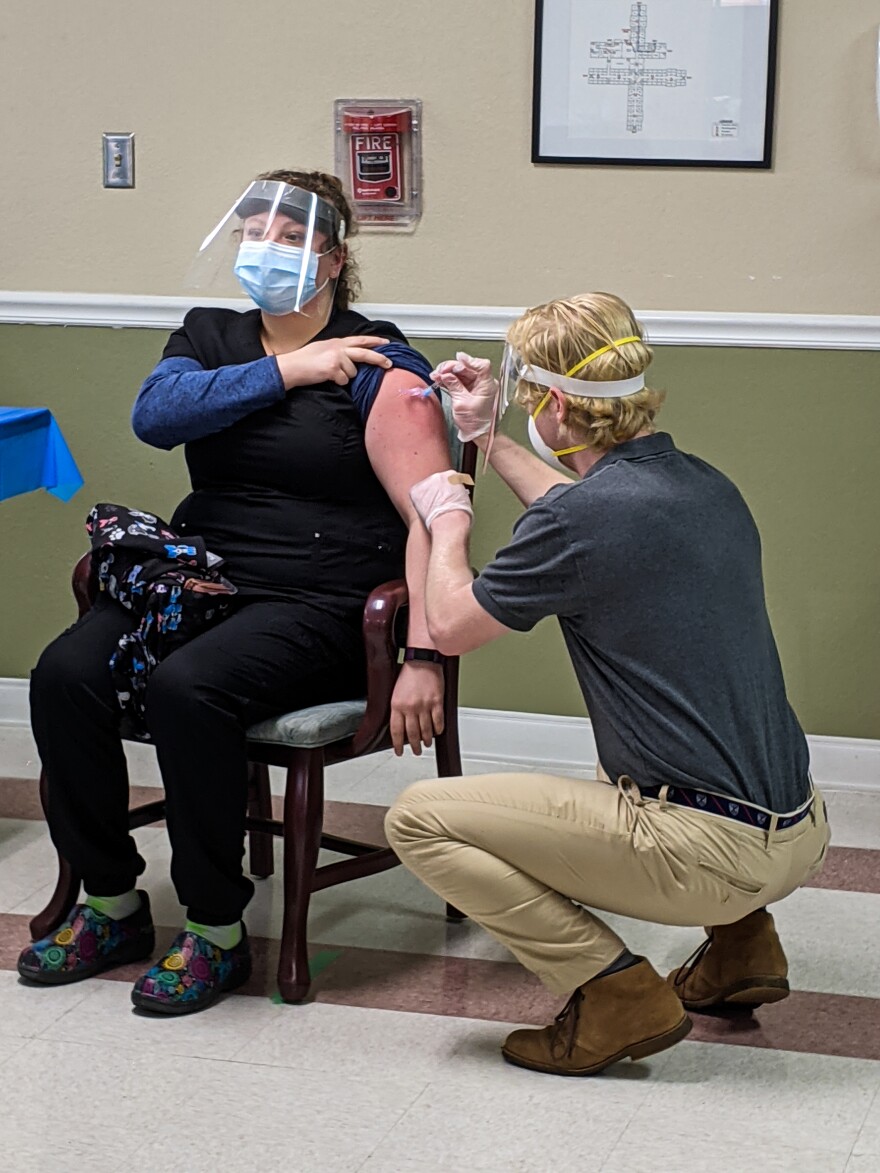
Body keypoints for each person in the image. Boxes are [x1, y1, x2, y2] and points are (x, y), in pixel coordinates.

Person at [20, 169, 452, 1015]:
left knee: (190, 688)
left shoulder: (377, 357)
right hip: (200, 584)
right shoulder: (209, 334)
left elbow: (433, 517)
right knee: (64, 674)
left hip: (320, 601)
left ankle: (216, 927)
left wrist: (425, 653)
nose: (267, 247)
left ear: (334, 257)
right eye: (255, 231)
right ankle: (111, 902)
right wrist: (290, 369)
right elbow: (157, 415)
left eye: (291, 235)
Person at [386, 291, 830, 1076]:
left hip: (707, 852)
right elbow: (579, 514)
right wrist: (486, 436)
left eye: (526, 396)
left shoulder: (586, 522)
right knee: (634, 749)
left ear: (556, 404)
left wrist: (448, 519)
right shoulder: (704, 487)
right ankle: (743, 944)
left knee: (419, 818)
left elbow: (450, 625)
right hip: (799, 828)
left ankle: (614, 993)